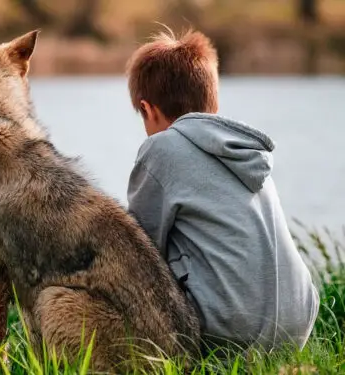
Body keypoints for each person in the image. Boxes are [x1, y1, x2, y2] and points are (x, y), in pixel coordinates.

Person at [125, 27, 319, 356]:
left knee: (129, 250)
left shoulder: (162, 148)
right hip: (297, 324)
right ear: (211, 102)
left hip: (231, 332)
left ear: (148, 109)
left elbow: (137, 251)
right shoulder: (242, 151)